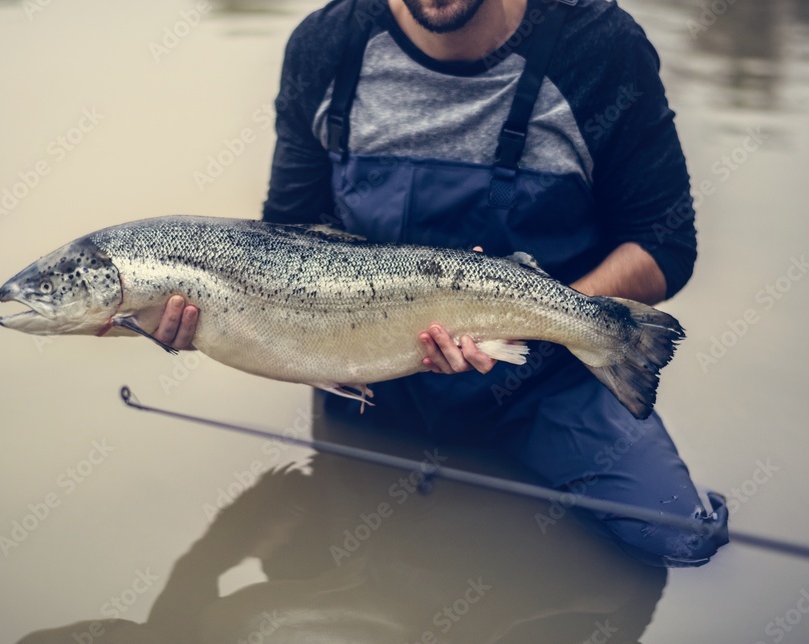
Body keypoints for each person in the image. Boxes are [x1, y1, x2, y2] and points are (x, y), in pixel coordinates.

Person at [153, 0, 728, 566]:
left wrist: (529, 313)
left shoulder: (598, 46)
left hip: (548, 382)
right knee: (335, 574)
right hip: (369, 384)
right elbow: (286, 240)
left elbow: (664, 242)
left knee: (682, 541)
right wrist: (208, 320)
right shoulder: (328, 46)